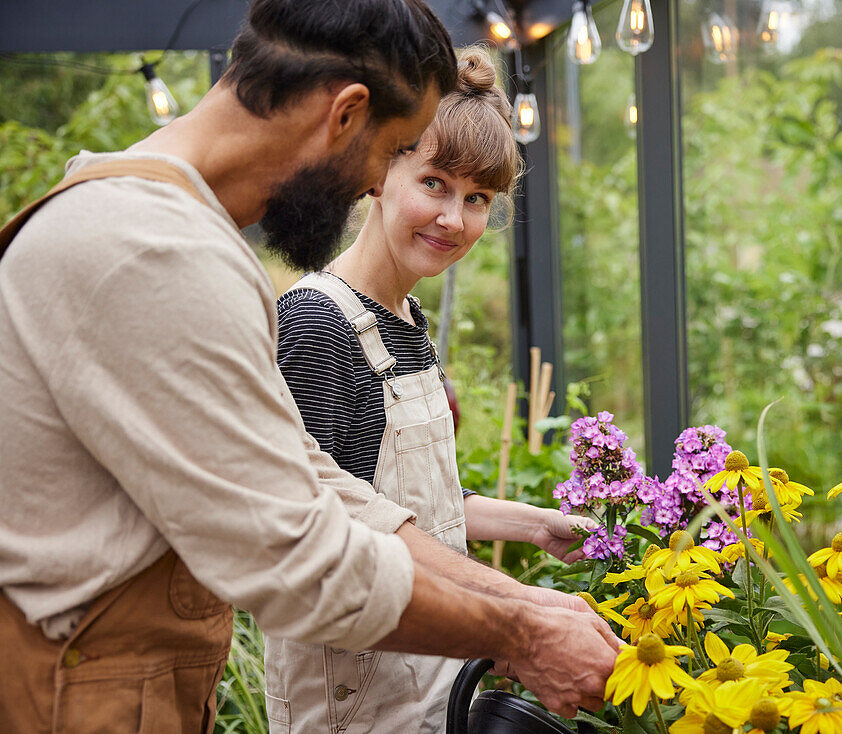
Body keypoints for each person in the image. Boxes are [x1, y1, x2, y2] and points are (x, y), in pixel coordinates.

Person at [0, 1, 618, 732]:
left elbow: (318, 483)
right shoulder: (152, 251)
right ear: (347, 114)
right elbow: (295, 556)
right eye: (393, 152)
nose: (370, 185)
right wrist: (522, 636)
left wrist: (528, 602)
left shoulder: (160, 221)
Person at [267, 46, 597, 733]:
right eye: (436, 183)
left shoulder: (404, 322)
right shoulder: (317, 326)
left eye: (477, 199)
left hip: (429, 686)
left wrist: (541, 526)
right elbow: (314, 524)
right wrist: (519, 611)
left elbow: (408, 504)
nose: (455, 219)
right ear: (379, 171)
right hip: (353, 701)